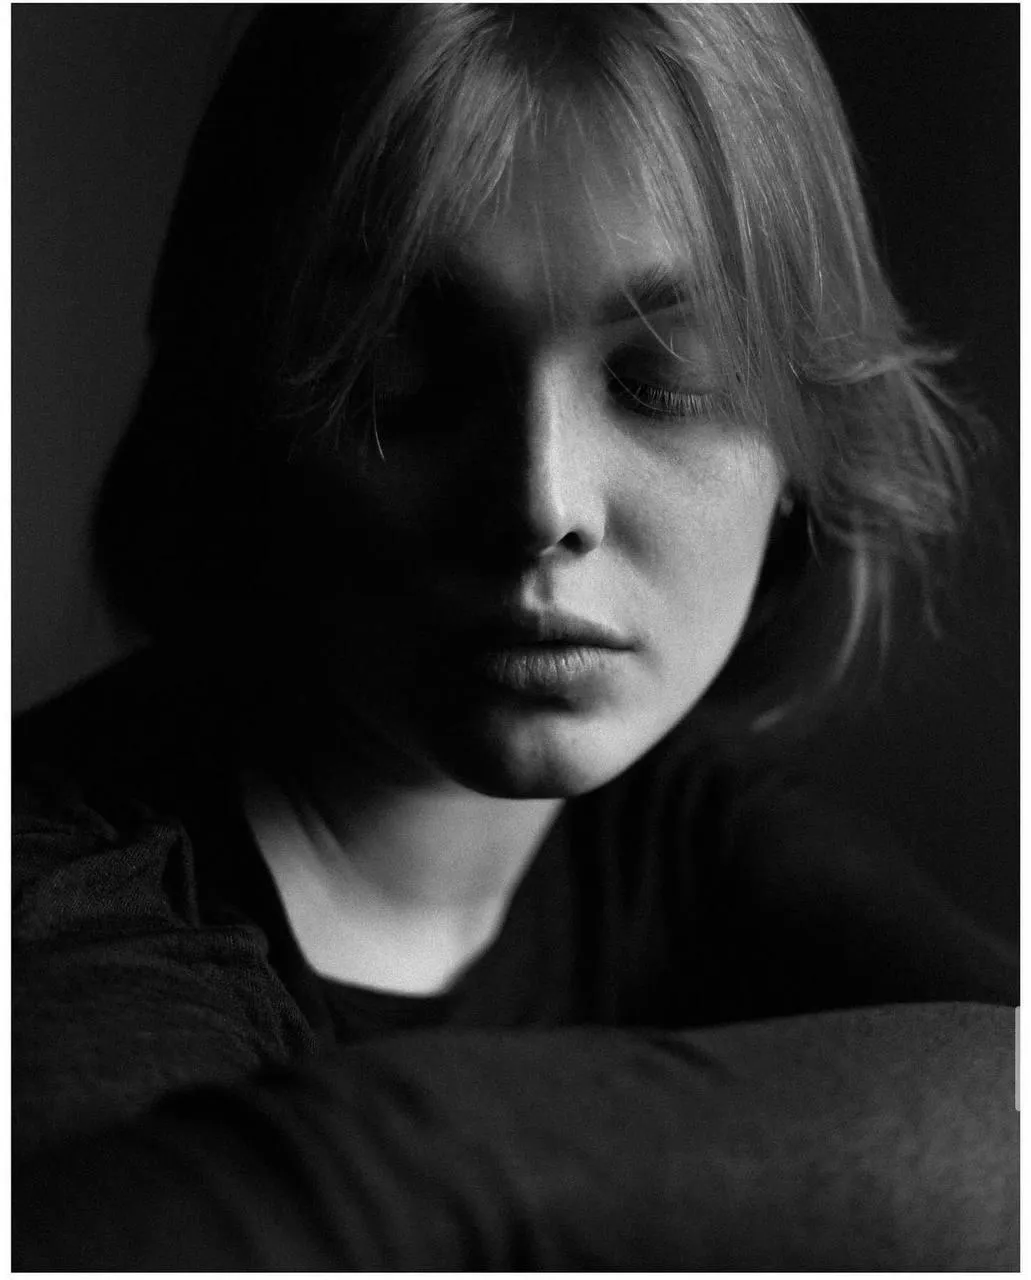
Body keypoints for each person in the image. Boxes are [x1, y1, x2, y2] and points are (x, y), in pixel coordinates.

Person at [12, 4, 1017, 1269]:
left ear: (806, 445)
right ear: (241, 411)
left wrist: (391, 1160)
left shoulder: (681, 839)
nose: (541, 500)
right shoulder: (53, 901)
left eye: (664, 377)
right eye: (404, 371)